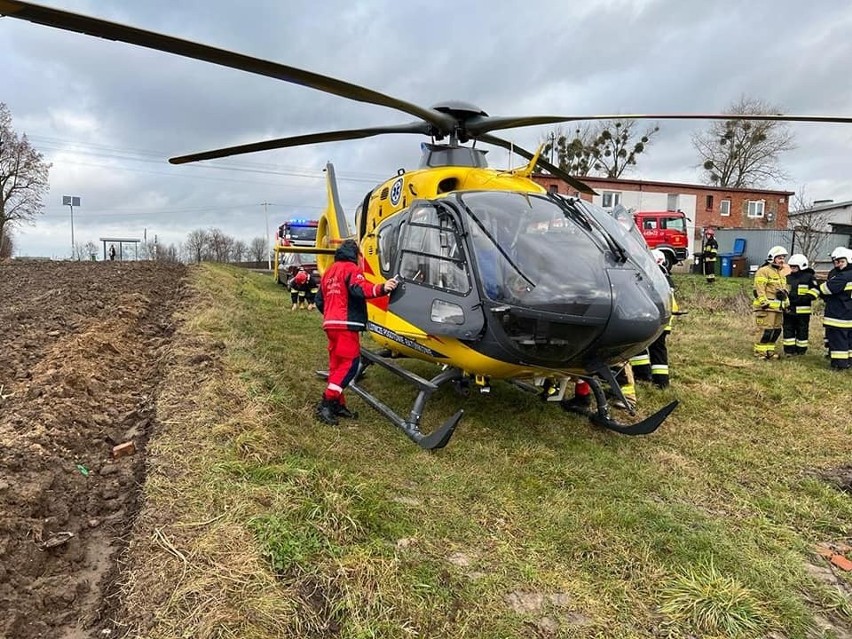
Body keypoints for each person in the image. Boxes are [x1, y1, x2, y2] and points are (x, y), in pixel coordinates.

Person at [314, 239, 398, 425]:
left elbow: (319, 300)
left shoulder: (328, 272)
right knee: (350, 364)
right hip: (346, 325)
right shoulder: (351, 269)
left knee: (336, 364)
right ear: (355, 255)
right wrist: (384, 287)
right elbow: (360, 289)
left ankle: (338, 403)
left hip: (331, 325)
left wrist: (330, 315)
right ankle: (327, 402)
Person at [632, 249, 680, 388]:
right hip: (665, 318)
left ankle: (647, 376)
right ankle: (659, 380)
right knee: (657, 349)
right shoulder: (665, 276)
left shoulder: (653, 276)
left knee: (642, 345)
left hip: (656, 318)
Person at [752, 245, 789, 359]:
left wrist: (787, 303)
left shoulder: (782, 274)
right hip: (766, 308)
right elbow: (759, 288)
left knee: (776, 331)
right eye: (779, 258)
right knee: (765, 331)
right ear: (772, 258)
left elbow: (783, 291)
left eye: (783, 258)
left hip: (778, 309)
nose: (782, 260)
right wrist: (763, 301)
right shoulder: (763, 271)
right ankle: (760, 352)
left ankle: (769, 351)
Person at [819, 247, 852, 370]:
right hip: (850, 315)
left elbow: (824, 290)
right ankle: (849, 361)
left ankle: (839, 364)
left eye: (841, 261)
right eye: (836, 261)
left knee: (838, 341)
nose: (837, 265)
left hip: (839, 315)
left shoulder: (843, 277)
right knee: (849, 341)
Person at [782, 253, 819, 356]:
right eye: (791, 266)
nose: (792, 268)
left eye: (795, 266)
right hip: (789, 309)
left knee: (802, 330)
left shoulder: (809, 277)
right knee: (788, 329)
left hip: (803, 310)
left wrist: (805, 298)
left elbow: (815, 290)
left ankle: (801, 350)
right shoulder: (787, 278)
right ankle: (789, 350)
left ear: (802, 265)